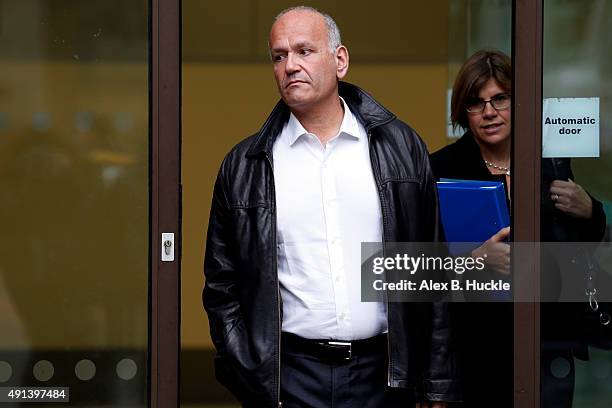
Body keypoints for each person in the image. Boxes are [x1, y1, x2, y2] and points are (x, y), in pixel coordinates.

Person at [203, 6, 459, 408]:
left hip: (385, 375)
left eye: (304, 51)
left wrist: (436, 383)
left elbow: (430, 271)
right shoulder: (245, 165)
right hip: (288, 379)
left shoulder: (401, 148)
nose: (290, 66)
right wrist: (247, 368)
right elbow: (222, 286)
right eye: (279, 55)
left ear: (340, 60)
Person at [429, 50, 607, 407]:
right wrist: (474, 261)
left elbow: (577, 247)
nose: (489, 111)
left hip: (549, 341)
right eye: (476, 103)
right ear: (463, 111)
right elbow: (417, 269)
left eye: (500, 98)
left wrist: (592, 212)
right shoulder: (441, 168)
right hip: (476, 345)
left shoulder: (551, 162)